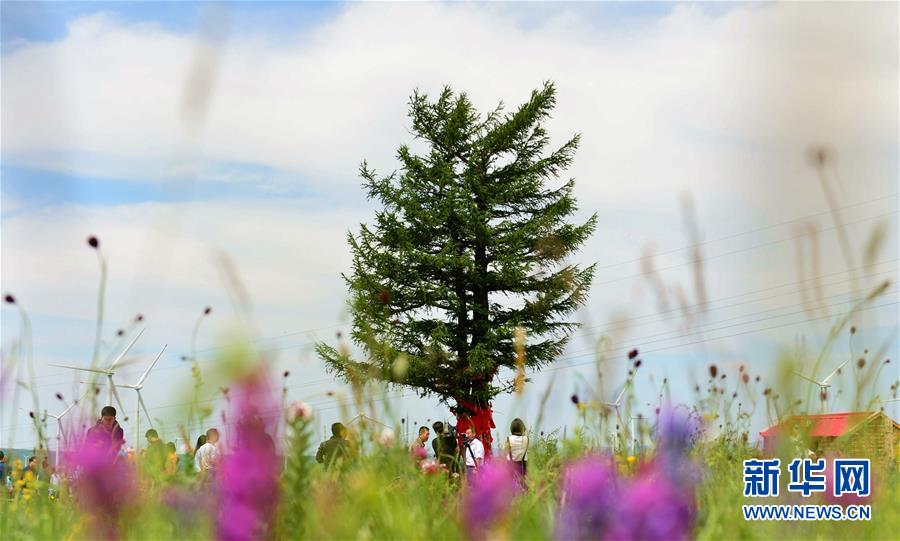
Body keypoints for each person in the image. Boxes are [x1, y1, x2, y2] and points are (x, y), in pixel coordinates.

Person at [506, 418, 529, 484]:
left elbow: (505, 450)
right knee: (521, 483)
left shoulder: (509, 439)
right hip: (522, 464)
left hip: (510, 465)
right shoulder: (526, 439)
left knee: (511, 484)